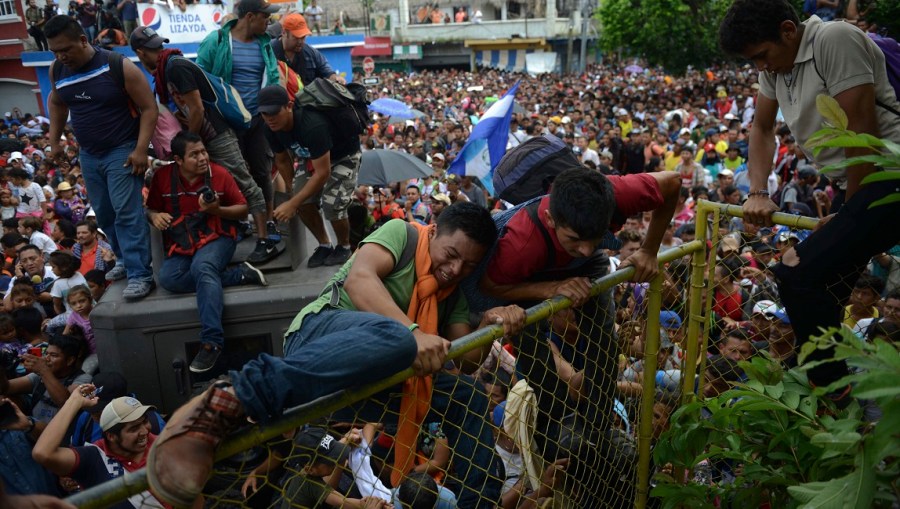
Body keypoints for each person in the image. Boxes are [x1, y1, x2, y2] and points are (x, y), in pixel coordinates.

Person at [146, 202, 526, 509]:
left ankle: (482, 503)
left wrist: (490, 324)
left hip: (376, 379)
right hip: (320, 337)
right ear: (435, 230)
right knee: (395, 337)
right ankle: (231, 398)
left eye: (469, 266)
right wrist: (413, 333)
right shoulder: (403, 234)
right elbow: (359, 281)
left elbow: (467, 360)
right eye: (451, 255)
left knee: (468, 396)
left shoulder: (452, 295)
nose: (455, 269)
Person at [720, 0, 900, 401]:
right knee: (830, 287)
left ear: (788, 30)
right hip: (855, 185)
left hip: (887, 176)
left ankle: (834, 393)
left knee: (795, 273)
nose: (761, 67)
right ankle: (843, 386)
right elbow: (762, 127)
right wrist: (758, 192)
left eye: (763, 56)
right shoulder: (775, 66)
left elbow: (861, 132)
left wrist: (847, 215)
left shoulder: (834, 40)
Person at [131, 26, 275, 264]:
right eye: (155, 46)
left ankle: (264, 240)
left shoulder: (175, 67)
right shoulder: (167, 69)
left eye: (157, 46)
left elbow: (196, 108)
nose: (157, 50)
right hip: (204, 137)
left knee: (244, 183)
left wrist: (190, 141)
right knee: (216, 184)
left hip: (215, 134)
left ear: (140, 53)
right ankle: (238, 229)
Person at [44, 15, 157, 300]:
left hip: (122, 149)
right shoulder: (57, 70)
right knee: (104, 213)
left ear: (83, 40)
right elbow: (57, 103)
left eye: (66, 49)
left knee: (126, 211)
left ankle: (141, 273)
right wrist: (54, 142)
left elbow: (149, 108)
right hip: (89, 154)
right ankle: (122, 258)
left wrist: (141, 149)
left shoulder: (118, 66)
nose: (61, 55)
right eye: (55, 51)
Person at [145, 132, 269, 373]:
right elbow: (150, 209)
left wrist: (217, 209)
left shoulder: (219, 174)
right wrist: (154, 216)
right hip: (183, 242)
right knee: (169, 278)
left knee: (203, 267)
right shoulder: (162, 178)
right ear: (178, 160)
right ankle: (238, 275)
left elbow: (243, 210)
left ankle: (212, 342)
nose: (202, 158)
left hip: (218, 237)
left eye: (203, 152)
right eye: (194, 155)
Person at [196, 0, 283, 265]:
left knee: (262, 171)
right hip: (226, 121)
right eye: (264, 18)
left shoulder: (265, 44)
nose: (268, 23)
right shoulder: (217, 41)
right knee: (231, 176)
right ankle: (237, 224)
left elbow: (273, 78)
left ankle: (266, 228)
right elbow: (200, 78)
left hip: (258, 119)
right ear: (249, 16)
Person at [261, 85, 362, 268]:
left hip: (343, 155)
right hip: (311, 157)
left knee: (333, 203)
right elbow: (282, 160)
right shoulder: (270, 128)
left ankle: (344, 246)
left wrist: (293, 203)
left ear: (289, 106)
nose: (270, 118)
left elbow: (323, 173)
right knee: (302, 201)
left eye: (274, 112)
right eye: (264, 114)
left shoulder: (312, 125)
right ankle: (324, 244)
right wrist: (294, 193)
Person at [31, 389, 167, 508]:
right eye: (134, 428)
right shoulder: (94, 459)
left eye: (145, 421)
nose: (145, 431)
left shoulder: (162, 445)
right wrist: (73, 402)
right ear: (112, 436)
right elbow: (43, 453)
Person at [272, 13, 344, 86]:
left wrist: (336, 79)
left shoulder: (311, 53)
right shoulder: (269, 51)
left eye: (303, 37)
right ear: (284, 33)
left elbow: (326, 70)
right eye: (296, 37)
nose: (300, 41)